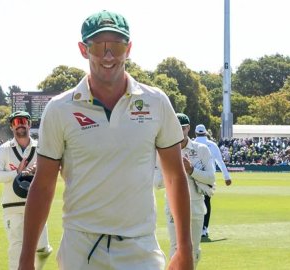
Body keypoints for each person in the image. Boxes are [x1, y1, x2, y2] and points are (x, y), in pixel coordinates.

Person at [19, 10, 193, 270]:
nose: (108, 55)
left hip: (139, 248)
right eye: (99, 46)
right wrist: (26, 259)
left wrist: (184, 248)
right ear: (83, 49)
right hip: (80, 248)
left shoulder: (156, 102)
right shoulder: (59, 108)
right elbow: (43, 185)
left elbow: (174, 176)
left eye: (117, 45)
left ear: (129, 48)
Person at [0, 111, 52, 270]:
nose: (20, 124)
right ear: (12, 126)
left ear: (29, 124)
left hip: (36, 206)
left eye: (24, 120)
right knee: (16, 250)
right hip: (12, 207)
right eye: (16, 121)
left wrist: (39, 170)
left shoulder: (41, 147)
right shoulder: (4, 149)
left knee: (42, 248)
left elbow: (53, 171)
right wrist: (17, 172)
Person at [155, 113, 215, 268]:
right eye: (176, 127)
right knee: (176, 249)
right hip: (173, 206)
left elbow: (210, 178)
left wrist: (191, 170)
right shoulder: (161, 151)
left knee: (193, 252)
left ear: (188, 128)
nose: (179, 131)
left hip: (196, 206)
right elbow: (156, 182)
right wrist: (175, 171)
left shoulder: (201, 149)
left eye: (182, 128)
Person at [194, 124, 232, 238]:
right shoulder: (212, 145)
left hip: (194, 177)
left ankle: (194, 228)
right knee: (206, 202)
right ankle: (204, 229)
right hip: (209, 178)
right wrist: (227, 177)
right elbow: (220, 162)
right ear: (205, 133)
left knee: (194, 202)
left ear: (195, 133)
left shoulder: (191, 144)